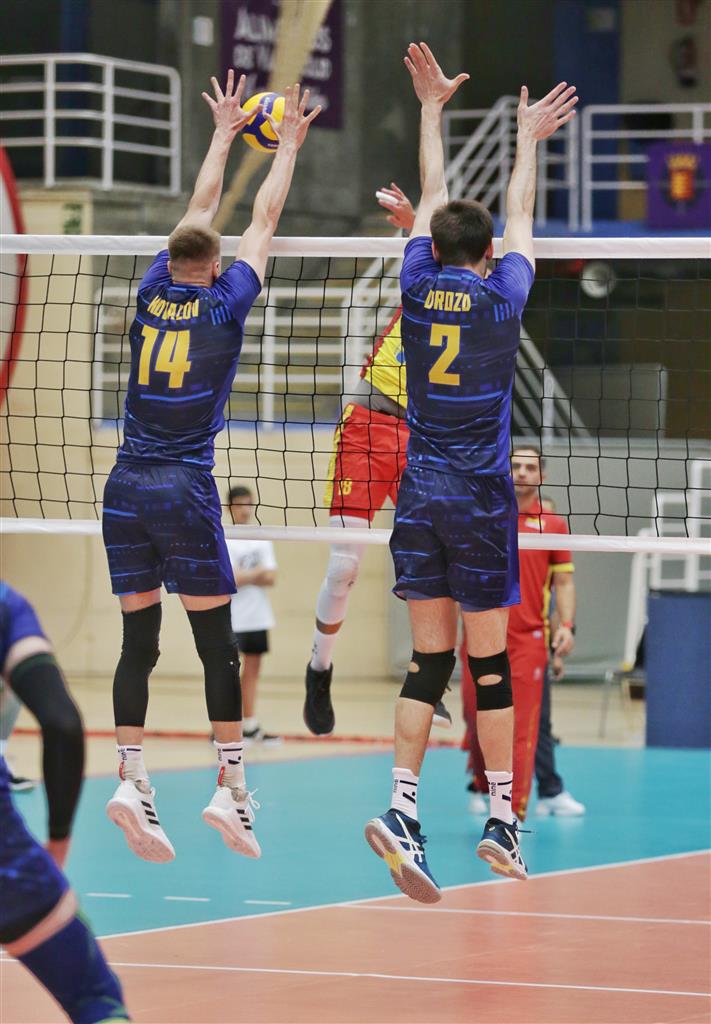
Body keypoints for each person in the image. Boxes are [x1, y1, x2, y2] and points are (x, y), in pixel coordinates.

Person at [364, 42, 578, 903]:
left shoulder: (416, 285)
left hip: (418, 492)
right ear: (489, 253)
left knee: (428, 662)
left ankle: (402, 809)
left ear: (435, 245)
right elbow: (517, 213)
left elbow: (432, 204)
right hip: (482, 499)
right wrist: (527, 140)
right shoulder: (503, 295)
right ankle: (500, 818)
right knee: (487, 668)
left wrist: (430, 111)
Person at [101, 71, 320, 863]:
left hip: (123, 486)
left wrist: (225, 133)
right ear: (216, 262)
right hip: (183, 488)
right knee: (216, 642)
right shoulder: (226, 303)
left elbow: (199, 212)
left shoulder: (150, 290)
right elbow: (263, 218)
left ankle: (131, 776)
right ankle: (231, 789)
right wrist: (286, 146)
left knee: (138, 642)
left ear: (170, 257)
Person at [303, 185, 453, 736]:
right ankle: (320, 668)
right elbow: (435, 235)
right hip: (368, 423)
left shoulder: (487, 301)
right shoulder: (425, 278)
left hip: (424, 437)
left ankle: (429, 675)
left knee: (430, 561)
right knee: (345, 565)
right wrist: (416, 221)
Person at [0, 581, 130, 1023]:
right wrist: (57, 841)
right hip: (8, 867)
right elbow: (62, 724)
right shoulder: (7, 606)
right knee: (94, 998)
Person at [462, 448, 583, 821]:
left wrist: (566, 627)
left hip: (529, 639)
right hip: (481, 633)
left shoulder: (553, 525)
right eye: (515, 465)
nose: (523, 472)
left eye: (531, 467)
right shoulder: (483, 515)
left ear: (541, 476)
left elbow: (564, 582)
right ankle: (482, 785)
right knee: (475, 718)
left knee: (526, 726)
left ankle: (511, 810)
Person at [226, 485, 281, 744]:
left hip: (258, 616)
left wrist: (246, 576)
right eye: (240, 504)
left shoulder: (261, 537)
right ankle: (225, 728)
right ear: (230, 507)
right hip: (232, 617)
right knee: (227, 673)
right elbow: (230, 579)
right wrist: (256, 574)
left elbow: (271, 577)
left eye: (249, 503)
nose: (245, 509)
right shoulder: (224, 538)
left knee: (252, 672)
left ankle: (250, 725)